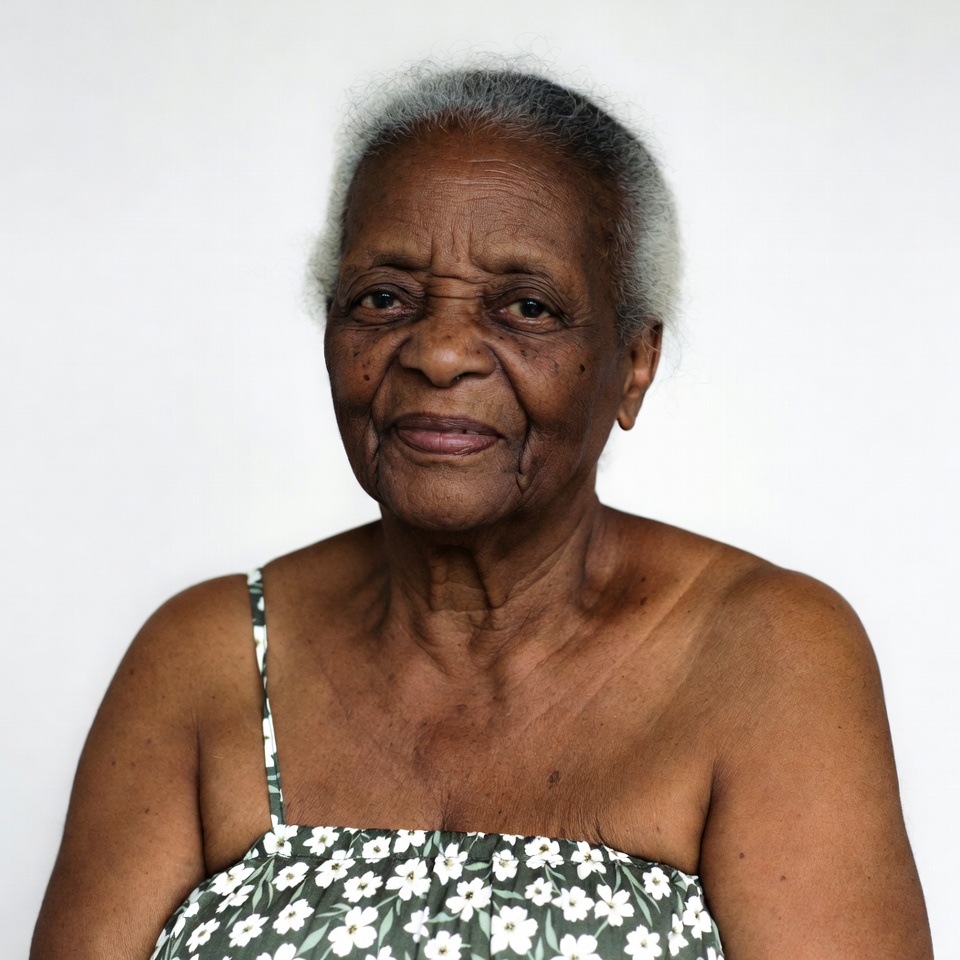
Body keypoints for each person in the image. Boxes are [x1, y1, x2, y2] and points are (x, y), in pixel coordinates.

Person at [32, 61, 932, 960]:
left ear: (635, 363)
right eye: (384, 298)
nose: (441, 351)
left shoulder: (766, 653)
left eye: (526, 308)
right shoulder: (208, 657)